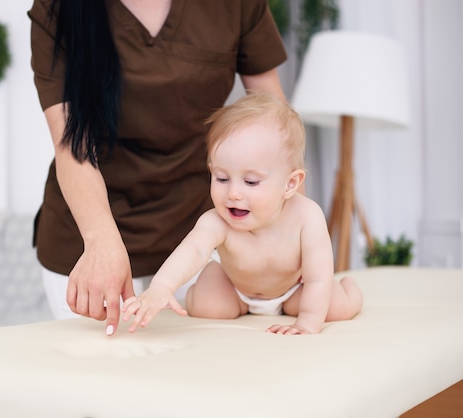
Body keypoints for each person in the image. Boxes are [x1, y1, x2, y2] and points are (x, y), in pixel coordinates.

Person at [27, 0, 288, 336]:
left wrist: (292, 233)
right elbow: (72, 146)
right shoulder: (59, 6)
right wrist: (101, 241)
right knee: (104, 383)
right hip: (91, 237)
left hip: (200, 235)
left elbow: (280, 136)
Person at [122, 92, 363, 335]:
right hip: (235, 288)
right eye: (222, 178)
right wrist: (161, 288)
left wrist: (307, 324)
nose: (233, 193)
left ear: (290, 184)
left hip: (292, 290)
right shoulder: (217, 220)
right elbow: (193, 250)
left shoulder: (307, 216)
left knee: (334, 308)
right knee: (209, 307)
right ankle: (205, 284)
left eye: (250, 181)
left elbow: (316, 278)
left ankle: (350, 289)